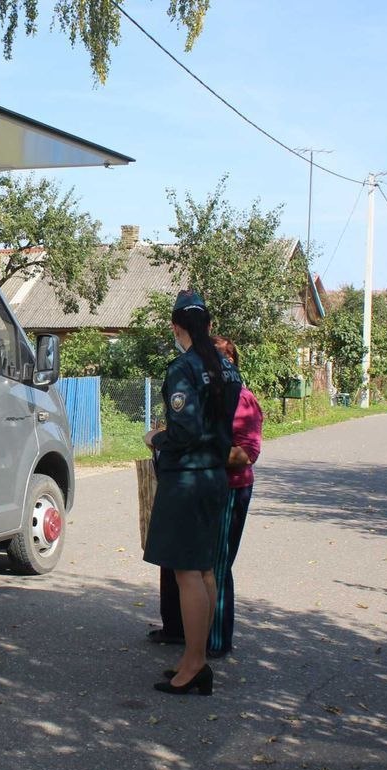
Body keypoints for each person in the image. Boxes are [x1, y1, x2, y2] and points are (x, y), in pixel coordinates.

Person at [142, 291, 242, 695]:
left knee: (187, 574)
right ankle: (193, 658)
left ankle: (195, 664)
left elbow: (184, 431)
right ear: (210, 325)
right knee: (204, 571)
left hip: (187, 479)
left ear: (175, 326)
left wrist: (155, 437)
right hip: (216, 476)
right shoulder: (227, 367)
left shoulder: (184, 368)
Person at [148, 336, 262, 657]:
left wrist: (193, 448)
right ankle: (177, 631)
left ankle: (214, 642)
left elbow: (245, 454)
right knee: (178, 561)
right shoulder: (198, 396)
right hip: (191, 485)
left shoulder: (243, 400)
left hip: (228, 489)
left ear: (231, 366)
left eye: (221, 361)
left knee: (214, 566)